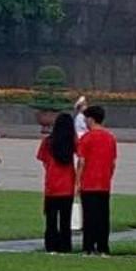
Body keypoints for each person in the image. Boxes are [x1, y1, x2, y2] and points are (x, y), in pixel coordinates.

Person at [76, 103, 117, 255]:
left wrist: (77, 182)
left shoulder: (86, 138)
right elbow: (113, 162)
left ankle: (88, 246)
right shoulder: (110, 137)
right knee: (102, 217)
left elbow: (82, 161)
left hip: (89, 183)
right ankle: (103, 246)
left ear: (91, 119)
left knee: (89, 217)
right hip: (104, 183)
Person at [35, 111, 78, 252]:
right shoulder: (72, 142)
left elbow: (43, 160)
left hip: (52, 184)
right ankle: (65, 245)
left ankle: (51, 245)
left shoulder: (48, 142)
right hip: (68, 184)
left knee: (51, 219)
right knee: (65, 220)